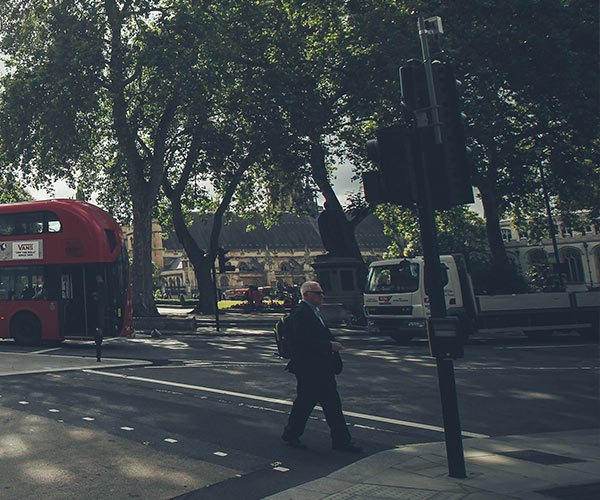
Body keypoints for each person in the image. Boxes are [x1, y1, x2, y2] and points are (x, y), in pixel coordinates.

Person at [281, 280, 362, 453]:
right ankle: (340, 441)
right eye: (318, 293)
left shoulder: (312, 312)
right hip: (310, 367)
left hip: (318, 366)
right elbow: (301, 341)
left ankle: (338, 440)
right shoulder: (301, 313)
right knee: (314, 403)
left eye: (322, 293)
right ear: (306, 295)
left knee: (322, 403)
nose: (322, 296)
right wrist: (328, 346)